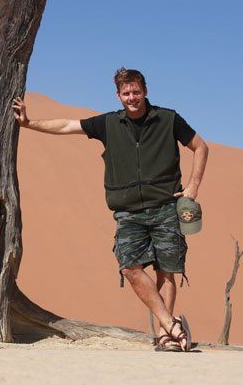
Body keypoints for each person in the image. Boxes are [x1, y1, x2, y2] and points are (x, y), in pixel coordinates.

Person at [12, 67, 209, 352]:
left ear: (145, 91)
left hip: (166, 206)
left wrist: (193, 187)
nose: (132, 98)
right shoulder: (108, 124)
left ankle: (167, 336)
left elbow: (201, 147)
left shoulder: (168, 119)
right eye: (126, 93)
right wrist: (29, 123)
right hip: (128, 211)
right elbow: (67, 125)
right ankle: (172, 324)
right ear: (118, 95)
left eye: (136, 92)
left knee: (166, 272)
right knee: (130, 267)